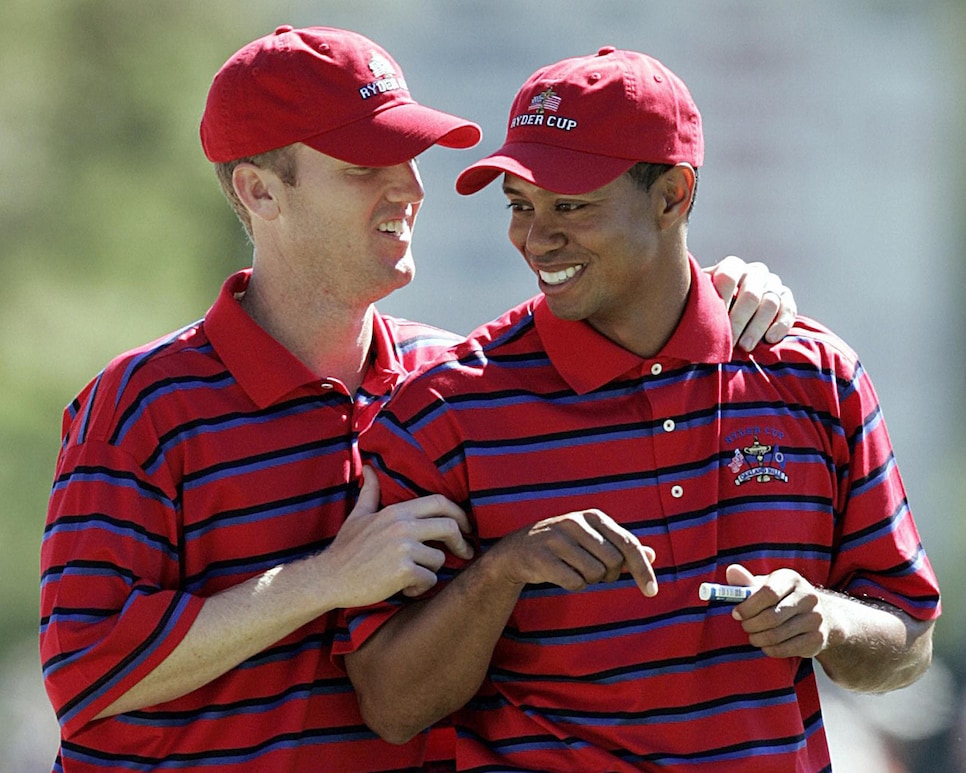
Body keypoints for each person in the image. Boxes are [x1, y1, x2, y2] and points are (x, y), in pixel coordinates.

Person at [39, 26, 796, 773]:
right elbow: (90, 672)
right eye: (366, 164)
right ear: (259, 190)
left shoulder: (447, 381)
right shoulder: (141, 406)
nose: (411, 186)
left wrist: (714, 288)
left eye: (410, 155)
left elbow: (634, 301)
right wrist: (328, 579)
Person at [340, 47, 942, 772]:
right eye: (521, 206)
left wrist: (828, 620)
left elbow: (909, 644)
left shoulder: (817, 378)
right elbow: (388, 705)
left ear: (673, 196)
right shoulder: (446, 408)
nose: (536, 237)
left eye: (572, 205)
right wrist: (502, 571)